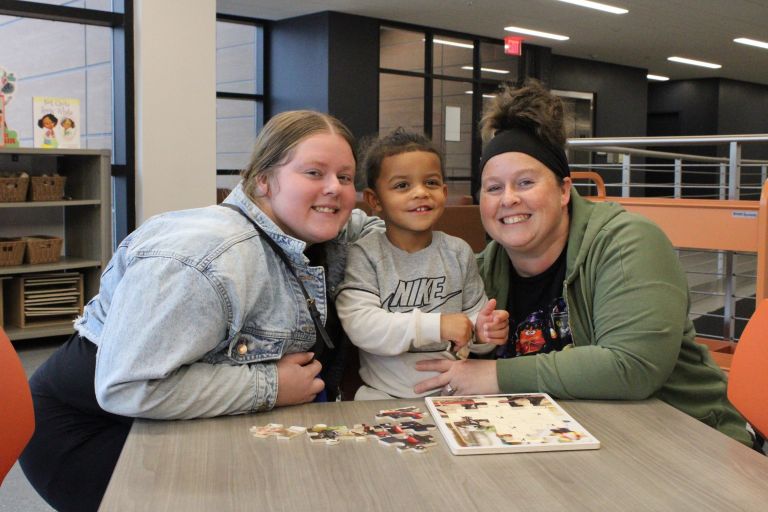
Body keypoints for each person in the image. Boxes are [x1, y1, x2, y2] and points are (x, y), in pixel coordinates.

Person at [20, 110, 384, 511]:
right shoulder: (204, 258)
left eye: (345, 177)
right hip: (91, 429)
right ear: (263, 179)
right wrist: (270, 386)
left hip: (175, 418)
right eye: (314, 173)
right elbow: (127, 387)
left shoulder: (317, 226)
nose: (335, 189)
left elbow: (376, 230)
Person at [413, 80, 752, 446]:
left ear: (563, 190)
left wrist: (493, 375)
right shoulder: (480, 271)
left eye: (525, 182)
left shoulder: (628, 242)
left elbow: (632, 367)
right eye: (494, 188)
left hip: (688, 441)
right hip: (577, 445)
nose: (508, 199)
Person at [335, 128, 508, 400]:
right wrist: (436, 326)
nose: (420, 193)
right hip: (383, 396)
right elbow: (362, 326)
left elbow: (473, 323)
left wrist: (485, 332)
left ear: (444, 191)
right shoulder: (366, 254)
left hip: (456, 393)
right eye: (402, 185)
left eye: (430, 183)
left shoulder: (458, 252)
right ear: (375, 200)